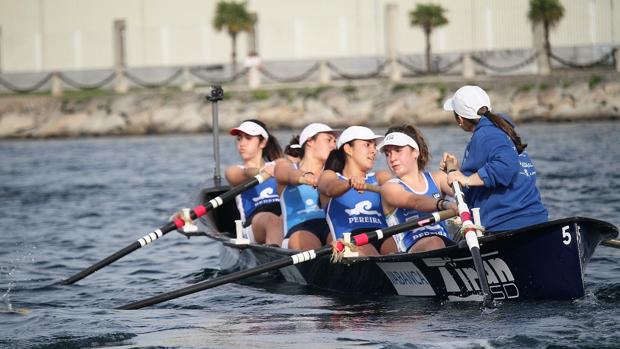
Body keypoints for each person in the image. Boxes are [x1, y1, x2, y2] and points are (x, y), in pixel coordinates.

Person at [441, 85, 548, 233]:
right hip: (533, 219)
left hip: (507, 223)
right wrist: (456, 171)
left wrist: (466, 180)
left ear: (459, 119)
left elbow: (506, 166)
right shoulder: (500, 129)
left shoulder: (486, 134)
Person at [318, 126, 394, 256]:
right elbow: (330, 188)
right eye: (367, 145)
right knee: (369, 251)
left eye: (374, 146)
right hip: (348, 240)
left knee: (398, 248)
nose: (374, 151)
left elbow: (397, 191)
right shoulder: (330, 176)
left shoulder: (381, 177)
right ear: (348, 149)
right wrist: (349, 183)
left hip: (382, 235)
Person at [378, 125, 455, 253]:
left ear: (415, 152)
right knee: (435, 242)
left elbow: (466, 193)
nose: (392, 158)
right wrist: (446, 204)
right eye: (387, 154)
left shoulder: (438, 178)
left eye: (398, 150)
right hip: (411, 250)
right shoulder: (389, 188)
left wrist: (454, 172)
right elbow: (415, 201)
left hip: (444, 243)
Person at [275, 123, 337, 250]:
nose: (334, 146)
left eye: (335, 142)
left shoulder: (334, 174)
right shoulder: (286, 166)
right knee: (308, 244)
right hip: (299, 230)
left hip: (330, 228)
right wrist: (305, 176)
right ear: (310, 142)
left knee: (345, 243)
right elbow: (288, 174)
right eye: (329, 140)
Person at [225, 119, 284, 245]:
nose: (242, 143)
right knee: (272, 221)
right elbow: (246, 173)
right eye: (239, 139)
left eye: (248, 138)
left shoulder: (278, 164)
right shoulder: (234, 170)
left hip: (281, 214)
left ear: (263, 142)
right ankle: (277, 257)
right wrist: (262, 172)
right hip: (253, 224)